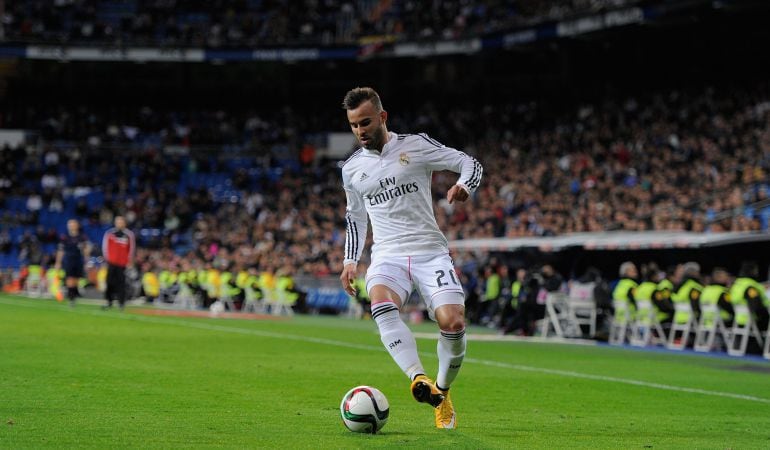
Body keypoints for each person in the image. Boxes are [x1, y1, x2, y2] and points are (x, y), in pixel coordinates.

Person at [338, 87, 482, 429]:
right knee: (380, 303)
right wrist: (349, 261)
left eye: (366, 122)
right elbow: (355, 217)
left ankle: (442, 394)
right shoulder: (352, 169)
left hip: (430, 252)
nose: (360, 131)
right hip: (387, 254)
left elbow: (468, 162)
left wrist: (465, 185)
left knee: (454, 324)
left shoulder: (415, 146)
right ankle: (418, 377)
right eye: (354, 125)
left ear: (383, 117)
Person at [101, 216, 136, 310]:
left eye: (121, 222)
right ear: (115, 223)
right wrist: (107, 259)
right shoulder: (109, 233)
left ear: (124, 223)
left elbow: (131, 249)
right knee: (109, 282)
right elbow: (105, 247)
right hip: (111, 262)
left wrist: (129, 261)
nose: (119, 223)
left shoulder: (129, 234)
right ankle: (109, 302)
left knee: (121, 283)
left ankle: (121, 303)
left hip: (122, 264)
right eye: (118, 222)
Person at [54, 219, 91, 306]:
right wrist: (58, 262)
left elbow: (86, 250)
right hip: (69, 260)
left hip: (79, 260)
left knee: (76, 279)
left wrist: (87, 261)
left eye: (73, 224)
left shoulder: (82, 237)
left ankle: (74, 295)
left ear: (77, 226)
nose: (71, 226)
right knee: (69, 279)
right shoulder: (65, 237)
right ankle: (71, 298)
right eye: (70, 224)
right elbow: (60, 250)